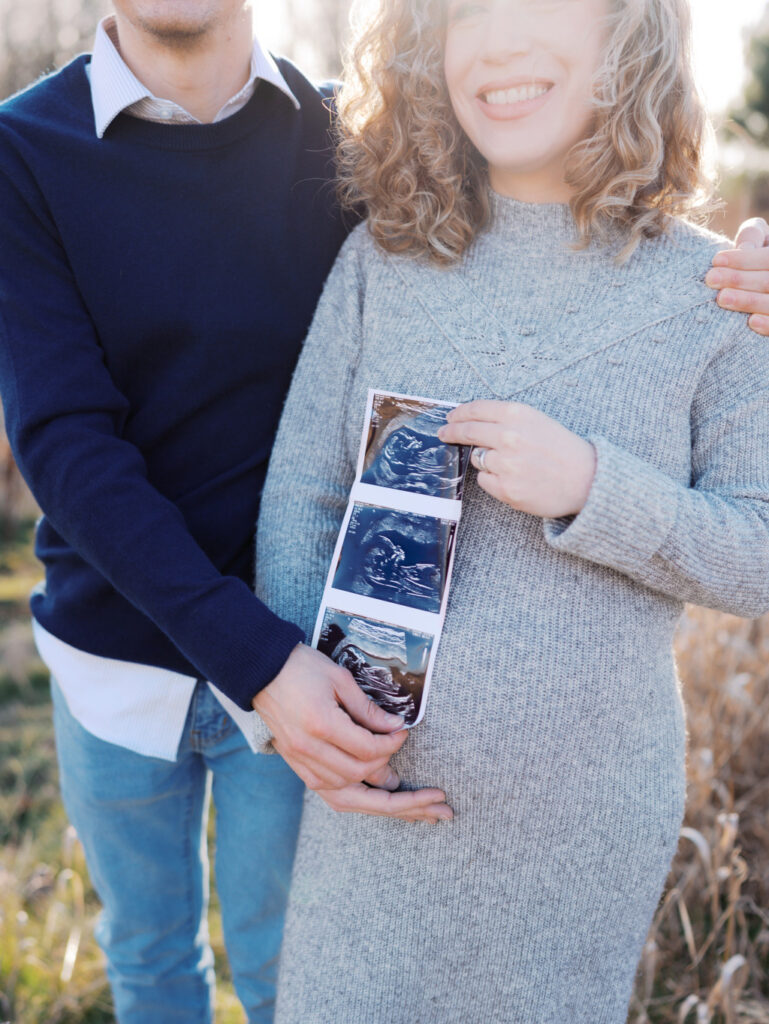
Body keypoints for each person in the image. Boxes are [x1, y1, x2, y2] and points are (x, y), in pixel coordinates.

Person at [253, 0, 769, 1020]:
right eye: (462, 14)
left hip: (580, 833)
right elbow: (302, 503)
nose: (495, 42)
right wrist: (302, 709)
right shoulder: (382, 264)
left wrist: (594, 486)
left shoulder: (713, 289)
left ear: (629, 35)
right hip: (372, 812)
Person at [0, 2, 455, 1021]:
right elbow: (67, 445)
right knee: (150, 954)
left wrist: (711, 269)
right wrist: (255, 662)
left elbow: (515, 249)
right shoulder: (21, 150)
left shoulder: (348, 138)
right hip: (116, 665)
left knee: (288, 972)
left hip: (305, 668)